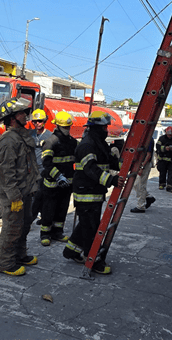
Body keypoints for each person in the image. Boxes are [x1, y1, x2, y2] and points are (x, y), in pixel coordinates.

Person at [63, 111, 123, 275]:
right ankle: (93, 260)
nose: (106, 130)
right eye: (103, 127)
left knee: (85, 224)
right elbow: (91, 169)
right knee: (91, 228)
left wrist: (123, 165)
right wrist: (111, 180)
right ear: (95, 127)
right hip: (85, 194)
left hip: (94, 192)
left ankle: (71, 250)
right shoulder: (87, 145)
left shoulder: (99, 143)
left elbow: (109, 161)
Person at [0, 97, 40, 276]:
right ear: (12, 118)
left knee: (24, 225)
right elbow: (6, 172)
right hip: (14, 195)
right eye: (22, 113)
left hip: (25, 192)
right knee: (12, 228)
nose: (26, 116)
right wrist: (14, 196)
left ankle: (19, 255)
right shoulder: (8, 141)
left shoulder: (21, 136)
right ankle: (5, 263)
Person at [40, 111, 77, 245]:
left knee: (62, 209)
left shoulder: (73, 142)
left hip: (67, 183)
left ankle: (57, 232)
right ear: (57, 126)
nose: (67, 129)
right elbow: (46, 163)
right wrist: (58, 176)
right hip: (52, 183)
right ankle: (45, 234)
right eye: (65, 127)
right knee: (49, 209)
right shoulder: (50, 142)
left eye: (69, 127)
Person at [28, 109, 52, 224]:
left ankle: (41, 217)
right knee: (33, 195)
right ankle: (32, 216)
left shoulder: (50, 136)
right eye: (35, 121)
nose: (37, 123)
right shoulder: (30, 135)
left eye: (40, 121)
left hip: (44, 170)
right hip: (32, 170)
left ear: (45, 121)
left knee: (42, 195)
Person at [130, 137, 156, 213]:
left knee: (140, 185)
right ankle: (148, 197)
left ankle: (140, 206)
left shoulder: (148, 139)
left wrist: (142, 167)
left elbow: (148, 155)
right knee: (136, 185)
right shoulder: (143, 137)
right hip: (140, 163)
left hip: (144, 164)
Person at [156, 126, 172, 193]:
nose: (169, 136)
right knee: (162, 172)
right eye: (168, 134)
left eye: (171, 134)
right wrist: (165, 148)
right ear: (166, 132)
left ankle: (170, 186)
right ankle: (162, 184)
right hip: (162, 160)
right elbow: (157, 146)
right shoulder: (162, 138)